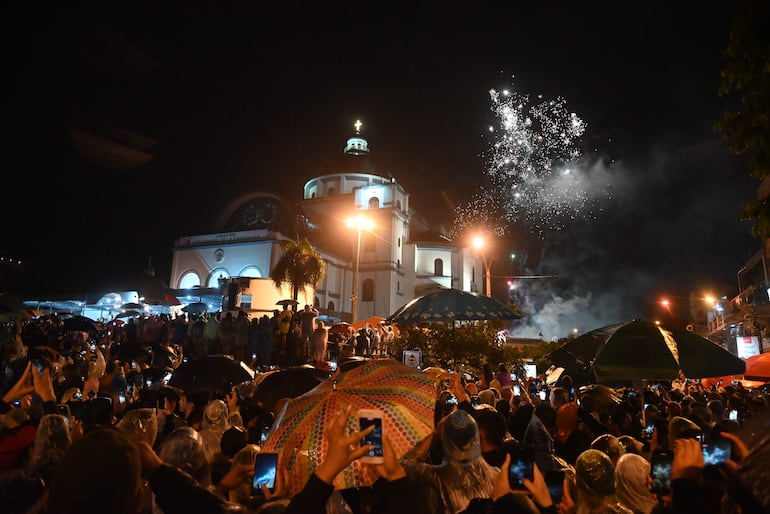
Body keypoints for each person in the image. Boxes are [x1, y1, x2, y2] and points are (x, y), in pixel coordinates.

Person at [400, 409, 500, 513]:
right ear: (475, 438)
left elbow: (402, 465)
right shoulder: (497, 477)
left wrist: (435, 434)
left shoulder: (434, 478)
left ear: (445, 441)